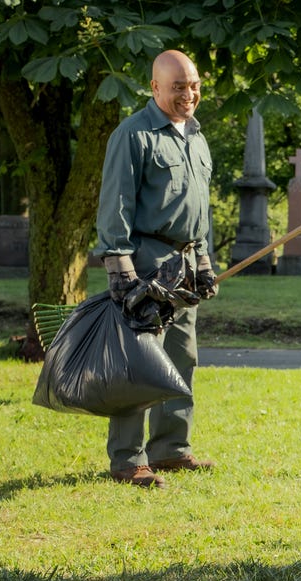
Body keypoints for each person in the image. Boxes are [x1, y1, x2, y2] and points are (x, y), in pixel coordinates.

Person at [92, 49, 219, 488]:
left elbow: (199, 210)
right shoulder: (133, 135)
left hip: (185, 262)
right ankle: (128, 459)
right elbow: (116, 204)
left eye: (194, 85)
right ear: (156, 88)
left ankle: (171, 450)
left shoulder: (197, 137)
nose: (189, 94)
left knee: (182, 357)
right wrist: (120, 268)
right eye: (179, 86)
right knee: (140, 363)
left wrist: (203, 260)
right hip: (145, 262)